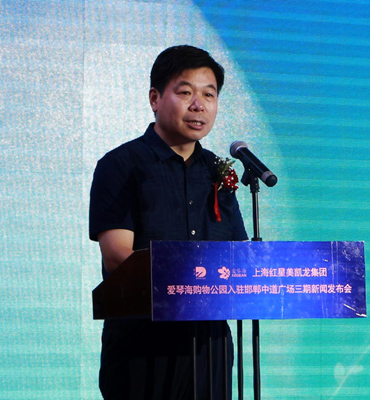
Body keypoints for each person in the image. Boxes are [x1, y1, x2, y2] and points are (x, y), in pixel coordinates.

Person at [89, 45, 248, 399]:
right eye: (186, 92)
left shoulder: (218, 173)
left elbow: (239, 258)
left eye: (209, 95)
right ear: (155, 98)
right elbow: (116, 257)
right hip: (142, 346)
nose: (199, 105)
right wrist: (188, 285)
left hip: (209, 348)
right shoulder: (121, 165)